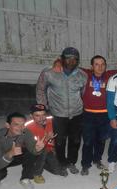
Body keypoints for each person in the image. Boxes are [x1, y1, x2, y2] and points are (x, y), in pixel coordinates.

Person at [36, 47, 87, 175]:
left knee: (75, 141)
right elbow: (41, 89)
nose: (71, 61)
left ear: (78, 60)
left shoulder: (82, 75)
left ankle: (71, 162)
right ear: (62, 58)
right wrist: (43, 107)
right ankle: (62, 163)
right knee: (59, 141)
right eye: (68, 58)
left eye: (75, 59)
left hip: (77, 114)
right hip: (58, 114)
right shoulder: (49, 73)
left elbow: (83, 92)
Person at [0, 112, 45, 189]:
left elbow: (33, 150)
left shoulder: (25, 132)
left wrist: (37, 149)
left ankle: (25, 178)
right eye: (16, 124)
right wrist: (10, 153)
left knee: (37, 152)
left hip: (13, 153)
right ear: (7, 125)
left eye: (22, 125)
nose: (20, 128)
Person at [25, 104, 67, 184]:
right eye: (37, 115)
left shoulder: (52, 120)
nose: (41, 118)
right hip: (34, 151)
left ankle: (42, 163)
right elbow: (32, 148)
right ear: (31, 116)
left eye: (44, 114)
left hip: (50, 150)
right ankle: (37, 173)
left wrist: (54, 149)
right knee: (42, 151)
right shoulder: (27, 127)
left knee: (57, 171)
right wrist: (47, 138)